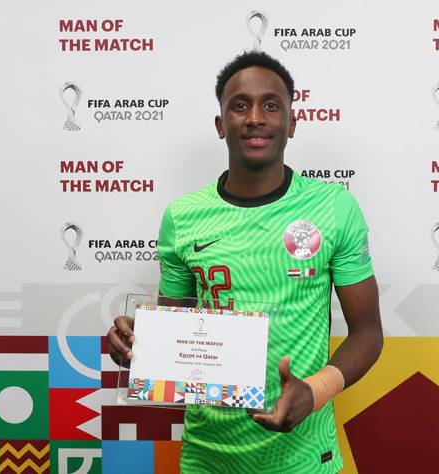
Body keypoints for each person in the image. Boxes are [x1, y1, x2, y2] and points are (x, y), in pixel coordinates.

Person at [107, 51, 383, 473]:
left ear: (291, 122)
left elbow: (368, 333)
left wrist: (316, 390)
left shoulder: (334, 208)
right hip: (208, 456)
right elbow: (176, 333)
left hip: (305, 458)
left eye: (271, 105)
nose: (255, 117)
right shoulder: (182, 217)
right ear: (221, 125)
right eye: (240, 106)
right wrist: (139, 348)